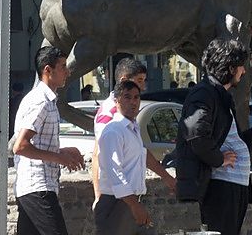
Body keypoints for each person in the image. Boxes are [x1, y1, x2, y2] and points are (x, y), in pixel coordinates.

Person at [175, 39, 252, 235]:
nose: (244, 72)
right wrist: (219, 159)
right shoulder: (204, 94)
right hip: (219, 187)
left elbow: (232, 141)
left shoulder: (219, 95)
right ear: (230, 68)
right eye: (241, 67)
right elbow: (195, 134)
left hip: (232, 186)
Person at [12, 45, 85, 235]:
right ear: (47, 70)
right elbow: (21, 146)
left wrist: (63, 152)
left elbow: (38, 146)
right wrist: (59, 158)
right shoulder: (40, 101)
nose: (67, 72)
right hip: (38, 186)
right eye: (62, 67)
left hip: (36, 187)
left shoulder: (49, 101)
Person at [92, 58, 175, 203]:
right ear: (124, 80)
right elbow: (99, 155)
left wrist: (168, 178)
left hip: (127, 197)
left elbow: (141, 151)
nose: (143, 87)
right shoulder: (109, 114)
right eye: (139, 80)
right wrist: (98, 196)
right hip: (116, 198)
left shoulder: (128, 113)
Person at [95, 80, 160, 234]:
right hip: (116, 202)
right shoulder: (113, 130)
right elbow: (115, 172)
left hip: (130, 201)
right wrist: (134, 205)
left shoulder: (132, 128)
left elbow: (142, 156)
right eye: (127, 97)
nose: (133, 102)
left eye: (136, 97)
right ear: (117, 101)